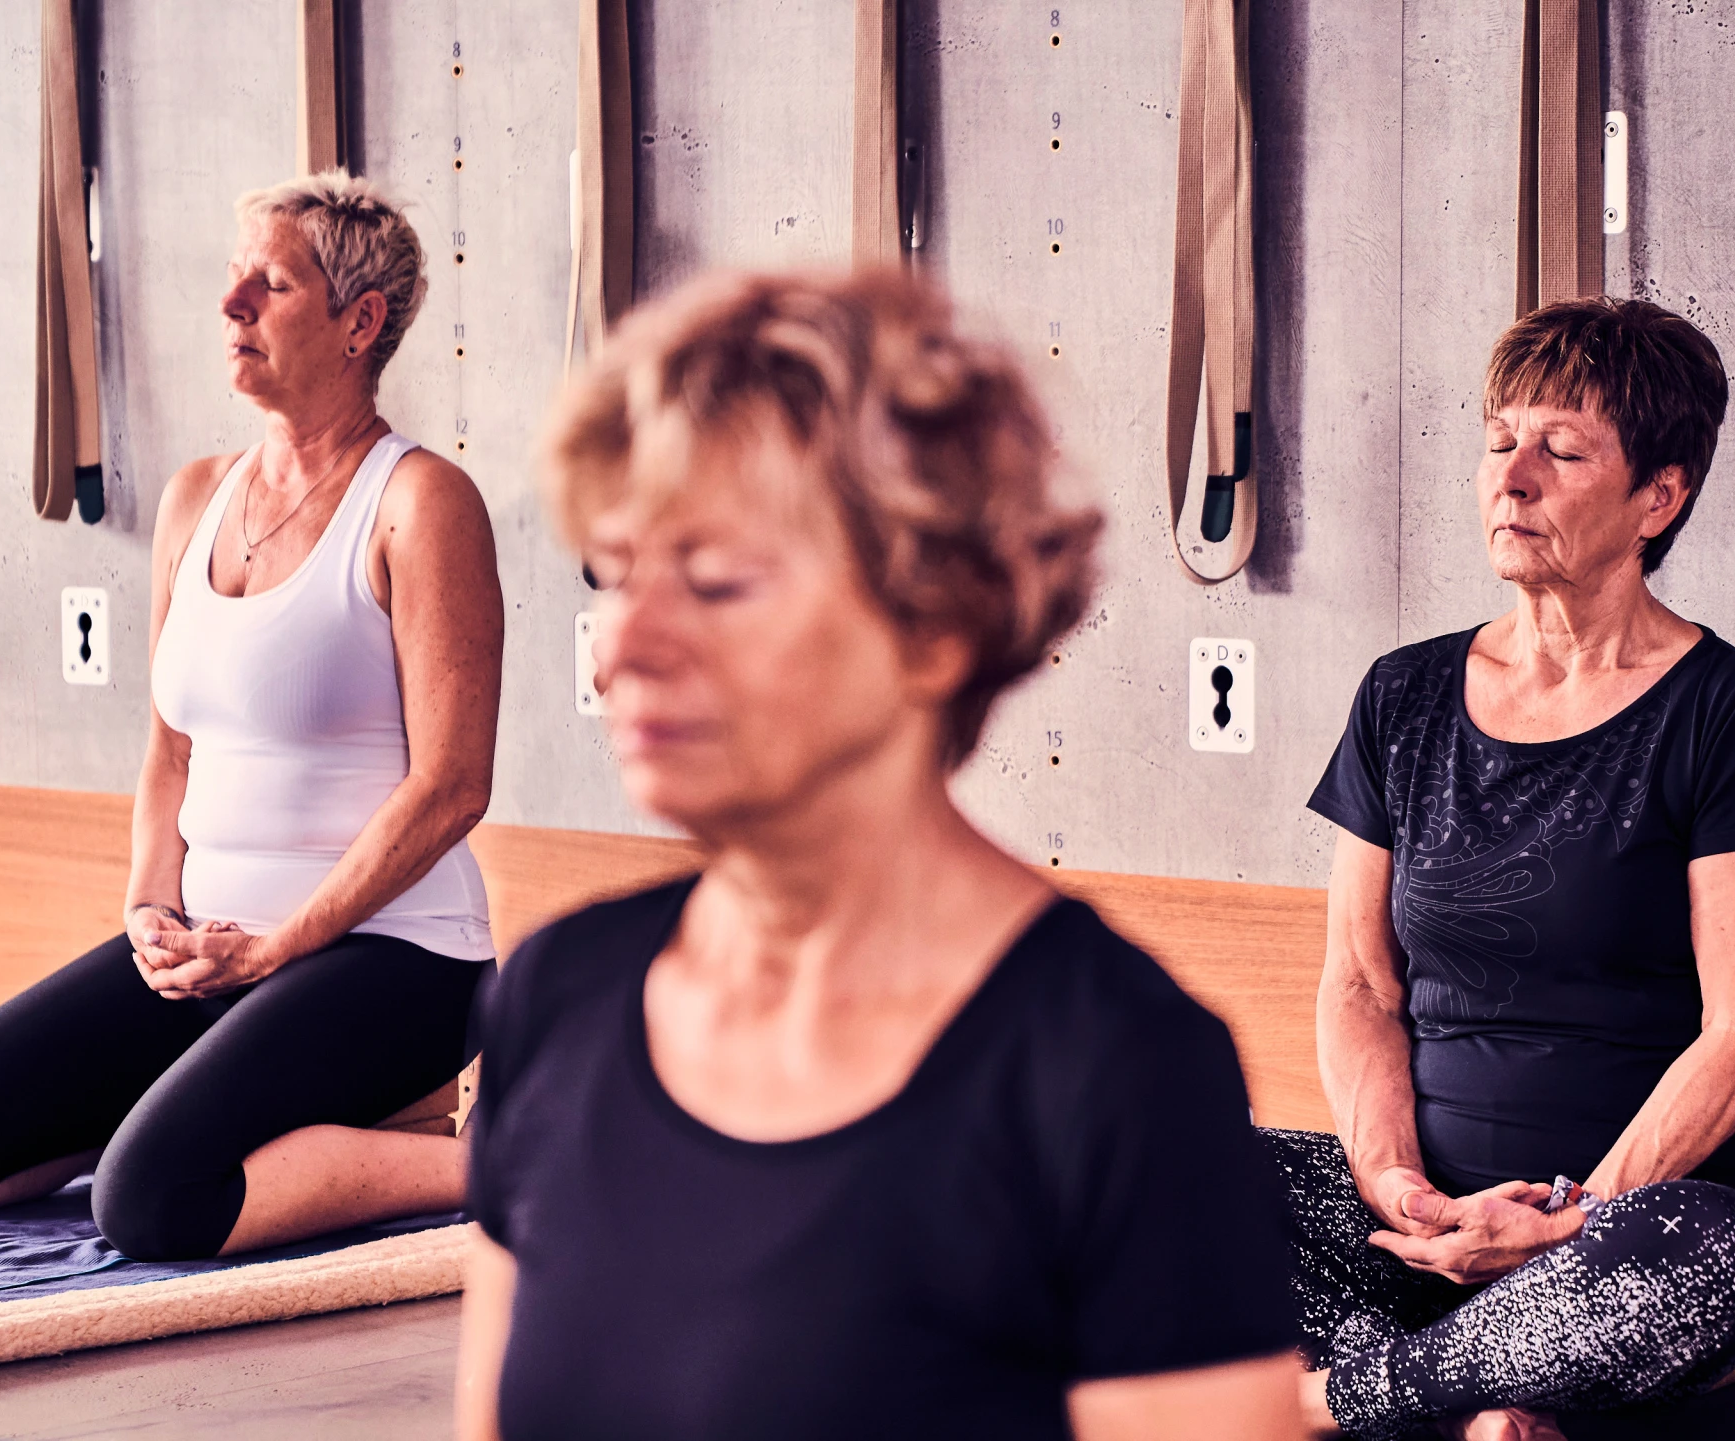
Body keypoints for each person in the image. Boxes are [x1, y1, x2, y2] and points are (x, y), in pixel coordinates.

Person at [455, 269, 1305, 1441]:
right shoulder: (557, 995)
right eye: (614, 574)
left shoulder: (1115, 1069)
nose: (626, 644)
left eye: (715, 579)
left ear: (934, 624)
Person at [0, 172, 503, 1262]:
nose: (230, 303)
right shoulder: (197, 497)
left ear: (360, 322)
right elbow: (169, 750)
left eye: (269, 284)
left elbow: (452, 786)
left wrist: (279, 946)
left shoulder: (419, 503)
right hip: (209, 953)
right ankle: (177, 1105)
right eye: (232, 278)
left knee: (153, 1200)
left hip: (394, 958)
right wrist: (150, 908)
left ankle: (502, 1161)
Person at [1283, 298, 1735, 1440]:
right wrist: (1397, 1186)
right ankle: (1483, 1395)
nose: (1513, 477)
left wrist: (1563, 1221)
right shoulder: (1401, 696)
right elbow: (1358, 985)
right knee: (1169, 1168)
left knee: (1706, 1257)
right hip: (1421, 1229)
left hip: (1632, 1232)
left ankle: (1345, 1396)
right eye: (1500, 441)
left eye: (1562, 450)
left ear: (1658, 498)